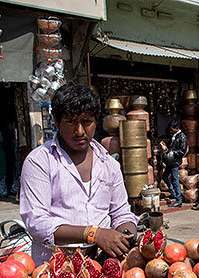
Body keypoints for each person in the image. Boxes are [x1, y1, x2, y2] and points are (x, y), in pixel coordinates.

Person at [19, 82, 137, 266]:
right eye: (71, 122)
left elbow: (121, 212)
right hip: (54, 266)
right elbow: (37, 223)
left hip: (101, 263)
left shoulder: (109, 164)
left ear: (95, 122)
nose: (80, 131)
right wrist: (94, 234)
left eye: (87, 122)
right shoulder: (39, 161)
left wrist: (126, 235)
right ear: (56, 121)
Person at [159, 120, 187, 208]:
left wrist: (172, 153)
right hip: (171, 161)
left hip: (175, 161)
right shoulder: (174, 136)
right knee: (165, 176)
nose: (170, 131)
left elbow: (182, 150)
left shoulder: (182, 136)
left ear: (176, 128)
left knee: (175, 180)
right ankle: (173, 193)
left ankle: (178, 200)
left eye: (172, 129)